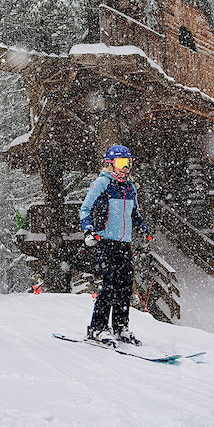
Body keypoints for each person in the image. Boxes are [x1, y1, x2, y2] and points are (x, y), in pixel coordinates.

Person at [79, 144, 152, 346]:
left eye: (128, 163)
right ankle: (97, 328)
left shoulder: (130, 188)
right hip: (104, 241)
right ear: (110, 164)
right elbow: (84, 209)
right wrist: (88, 230)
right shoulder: (102, 184)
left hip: (124, 243)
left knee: (125, 285)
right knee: (109, 284)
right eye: (121, 163)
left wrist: (143, 230)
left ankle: (120, 328)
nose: (125, 168)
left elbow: (134, 213)